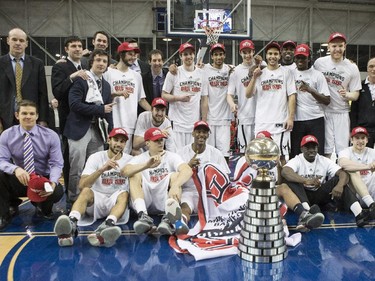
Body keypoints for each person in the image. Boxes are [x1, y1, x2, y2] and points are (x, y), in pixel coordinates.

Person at [54, 128, 133, 247]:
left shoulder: (130, 160)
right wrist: (101, 169)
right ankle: (71, 223)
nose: (119, 144)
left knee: (124, 194)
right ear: (108, 140)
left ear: (125, 144)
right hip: (96, 200)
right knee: (86, 191)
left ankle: (108, 225)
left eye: (122, 141)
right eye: (116, 140)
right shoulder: (96, 157)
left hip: (116, 202)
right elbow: (82, 185)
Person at [235, 131, 325, 232]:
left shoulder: (274, 161)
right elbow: (237, 184)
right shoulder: (245, 159)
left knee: (284, 187)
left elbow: (278, 182)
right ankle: (300, 212)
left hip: (267, 193)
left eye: (267, 142)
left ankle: (303, 214)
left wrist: (280, 166)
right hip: (248, 193)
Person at [281, 134, 374, 227]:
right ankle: (307, 213)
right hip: (302, 195)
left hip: (319, 194)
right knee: (291, 181)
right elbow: (285, 172)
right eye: (307, 147)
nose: (311, 150)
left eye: (314, 147)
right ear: (302, 149)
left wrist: (339, 186)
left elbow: (342, 173)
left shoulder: (323, 160)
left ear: (317, 148)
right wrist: (306, 181)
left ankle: (359, 214)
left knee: (338, 180)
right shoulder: (297, 159)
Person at [0, 100, 64, 230]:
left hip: (42, 179)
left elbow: (57, 163)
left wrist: (52, 182)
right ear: (17, 115)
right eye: (24, 113)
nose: (28, 116)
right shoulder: (6, 135)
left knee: (57, 191)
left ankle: (43, 207)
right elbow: (1, 160)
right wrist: (15, 169)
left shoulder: (51, 135)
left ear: (37, 116)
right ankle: (4, 213)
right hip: (21, 178)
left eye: (31, 113)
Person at [64, 49, 115, 203]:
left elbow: (108, 110)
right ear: (91, 62)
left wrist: (111, 133)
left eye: (104, 61)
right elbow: (74, 105)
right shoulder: (82, 79)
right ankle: (74, 198)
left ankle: (91, 197)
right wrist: (99, 109)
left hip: (98, 131)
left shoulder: (105, 85)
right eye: (98, 60)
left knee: (95, 167)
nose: (101, 64)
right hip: (79, 129)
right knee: (77, 167)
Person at [121, 127, 192, 235]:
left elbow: (187, 170)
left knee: (176, 176)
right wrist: (146, 165)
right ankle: (143, 216)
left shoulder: (171, 156)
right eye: (156, 140)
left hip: (164, 199)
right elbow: (124, 172)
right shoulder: (141, 158)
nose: (160, 143)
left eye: (161, 140)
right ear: (148, 143)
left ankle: (168, 218)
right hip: (146, 198)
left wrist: (175, 186)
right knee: (134, 175)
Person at [246, 41, 296, 165]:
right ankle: (261, 183)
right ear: (266, 55)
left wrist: (290, 118)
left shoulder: (286, 72)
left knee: (282, 157)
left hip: (280, 122)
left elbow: (292, 96)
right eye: (269, 54)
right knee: (259, 156)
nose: (272, 56)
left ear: (279, 56)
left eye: (275, 54)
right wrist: (254, 77)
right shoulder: (259, 73)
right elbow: (248, 94)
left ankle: (282, 184)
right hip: (262, 121)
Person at [314, 32, 362, 158]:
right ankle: (327, 176)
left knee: (343, 151)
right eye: (334, 46)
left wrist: (347, 94)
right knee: (326, 150)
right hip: (323, 111)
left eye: (340, 46)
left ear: (345, 47)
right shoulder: (319, 63)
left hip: (342, 112)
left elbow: (356, 94)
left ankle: (343, 176)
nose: (337, 49)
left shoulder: (352, 67)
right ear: (328, 47)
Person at [51, 36, 88, 194]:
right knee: (70, 158)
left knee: (86, 159)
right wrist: (72, 77)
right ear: (66, 49)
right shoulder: (60, 67)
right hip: (69, 120)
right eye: (73, 46)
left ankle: (86, 191)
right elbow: (57, 92)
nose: (78, 48)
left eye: (79, 46)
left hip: (86, 119)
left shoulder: (85, 65)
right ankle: (70, 194)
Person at [103, 41, 151, 154]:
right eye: (130, 54)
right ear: (121, 54)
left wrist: (153, 111)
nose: (133, 57)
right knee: (112, 158)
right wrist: (117, 94)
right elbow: (103, 97)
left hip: (130, 124)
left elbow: (141, 99)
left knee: (125, 159)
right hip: (113, 122)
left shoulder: (136, 76)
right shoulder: (108, 73)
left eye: (135, 54)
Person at [178, 120, 230, 224]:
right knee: (185, 208)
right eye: (198, 131)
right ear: (193, 133)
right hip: (189, 191)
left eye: (204, 132)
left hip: (209, 193)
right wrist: (188, 166)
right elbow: (174, 177)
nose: (201, 135)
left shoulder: (216, 153)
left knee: (221, 214)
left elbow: (226, 178)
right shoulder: (182, 152)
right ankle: (180, 224)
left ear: (208, 135)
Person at [161, 42, 208, 150]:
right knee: (176, 157)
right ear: (181, 56)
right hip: (176, 124)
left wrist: (204, 121)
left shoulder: (201, 74)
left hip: (193, 124)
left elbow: (204, 99)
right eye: (185, 54)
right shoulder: (174, 73)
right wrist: (178, 98)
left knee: (193, 156)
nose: (188, 56)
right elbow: (164, 95)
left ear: (194, 55)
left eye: (190, 53)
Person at [0, 28, 49, 131]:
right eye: (14, 39)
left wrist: (43, 119)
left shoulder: (37, 64)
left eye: (21, 41)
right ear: (8, 40)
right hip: (5, 118)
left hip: (30, 117)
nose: (18, 43)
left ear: (26, 43)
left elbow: (43, 94)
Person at [290, 44, 330, 158]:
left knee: (317, 152)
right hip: (297, 120)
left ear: (309, 58)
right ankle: (296, 175)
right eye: (298, 57)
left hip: (315, 119)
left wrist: (310, 90)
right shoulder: (290, 74)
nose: (300, 60)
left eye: (303, 57)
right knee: (296, 153)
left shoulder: (318, 75)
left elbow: (327, 100)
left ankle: (318, 175)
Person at [227, 39, 264, 154]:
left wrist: (261, 62)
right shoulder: (236, 72)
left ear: (253, 52)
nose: (247, 55)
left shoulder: (262, 67)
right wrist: (232, 104)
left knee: (261, 151)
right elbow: (229, 94)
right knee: (245, 152)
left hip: (261, 117)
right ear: (240, 53)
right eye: (245, 52)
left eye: (250, 52)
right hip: (245, 117)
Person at [203, 43, 233, 162]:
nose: (218, 57)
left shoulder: (230, 69)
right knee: (208, 153)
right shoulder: (205, 69)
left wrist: (260, 62)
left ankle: (224, 178)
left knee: (224, 154)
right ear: (211, 56)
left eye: (221, 54)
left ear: (224, 55)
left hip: (224, 119)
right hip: (210, 118)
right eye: (215, 55)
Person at [338, 127, 375, 206]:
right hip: (354, 194)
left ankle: (372, 204)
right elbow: (343, 164)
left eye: (363, 138)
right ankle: (370, 204)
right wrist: (367, 166)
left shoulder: (372, 152)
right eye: (357, 138)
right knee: (351, 171)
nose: (360, 141)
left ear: (367, 140)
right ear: (351, 140)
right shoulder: (345, 152)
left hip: (372, 191)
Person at [350, 57, 375, 148]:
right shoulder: (359, 87)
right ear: (367, 69)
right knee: (364, 159)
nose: (374, 69)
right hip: (364, 130)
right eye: (371, 66)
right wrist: (353, 130)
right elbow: (353, 111)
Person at [140, 49, 168, 115]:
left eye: (159, 60)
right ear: (149, 62)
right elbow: (141, 99)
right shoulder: (143, 78)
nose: (157, 63)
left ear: (163, 61)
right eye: (154, 60)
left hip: (167, 113)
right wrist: (153, 112)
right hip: (149, 113)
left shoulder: (169, 74)